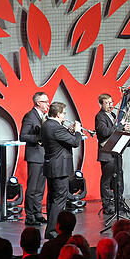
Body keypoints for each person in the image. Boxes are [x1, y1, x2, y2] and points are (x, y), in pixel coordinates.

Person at [40, 102, 82, 240]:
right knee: (59, 200)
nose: (65, 116)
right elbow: (75, 143)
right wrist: (77, 131)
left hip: (52, 167)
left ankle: (51, 230)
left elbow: (61, 141)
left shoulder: (46, 124)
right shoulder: (56, 127)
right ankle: (52, 231)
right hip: (59, 169)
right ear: (58, 114)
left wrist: (69, 132)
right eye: (64, 113)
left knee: (52, 199)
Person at [95, 92, 128, 215]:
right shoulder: (100, 116)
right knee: (107, 180)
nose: (111, 105)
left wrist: (124, 128)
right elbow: (104, 132)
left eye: (111, 102)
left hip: (116, 151)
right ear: (101, 104)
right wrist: (119, 126)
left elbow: (116, 132)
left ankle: (119, 203)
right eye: (107, 103)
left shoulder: (113, 114)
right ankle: (107, 205)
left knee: (119, 177)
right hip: (106, 152)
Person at [20, 91, 50, 226]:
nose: (48, 104)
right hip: (35, 155)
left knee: (40, 188)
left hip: (44, 155)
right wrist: (38, 138)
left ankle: (38, 213)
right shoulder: (30, 116)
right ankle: (29, 215)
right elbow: (23, 136)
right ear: (38, 102)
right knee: (32, 187)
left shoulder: (45, 116)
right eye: (45, 101)